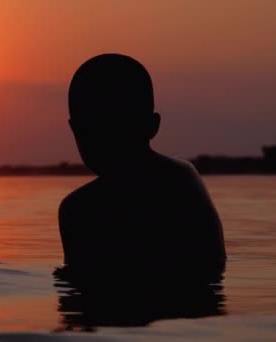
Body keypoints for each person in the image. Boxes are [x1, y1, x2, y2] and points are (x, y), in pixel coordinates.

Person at [58, 54, 226, 283]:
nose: (108, 139)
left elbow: (81, 296)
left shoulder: (82, 208)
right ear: (152, 125)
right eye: (97, 128)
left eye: (117, 127)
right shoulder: (185, 175)